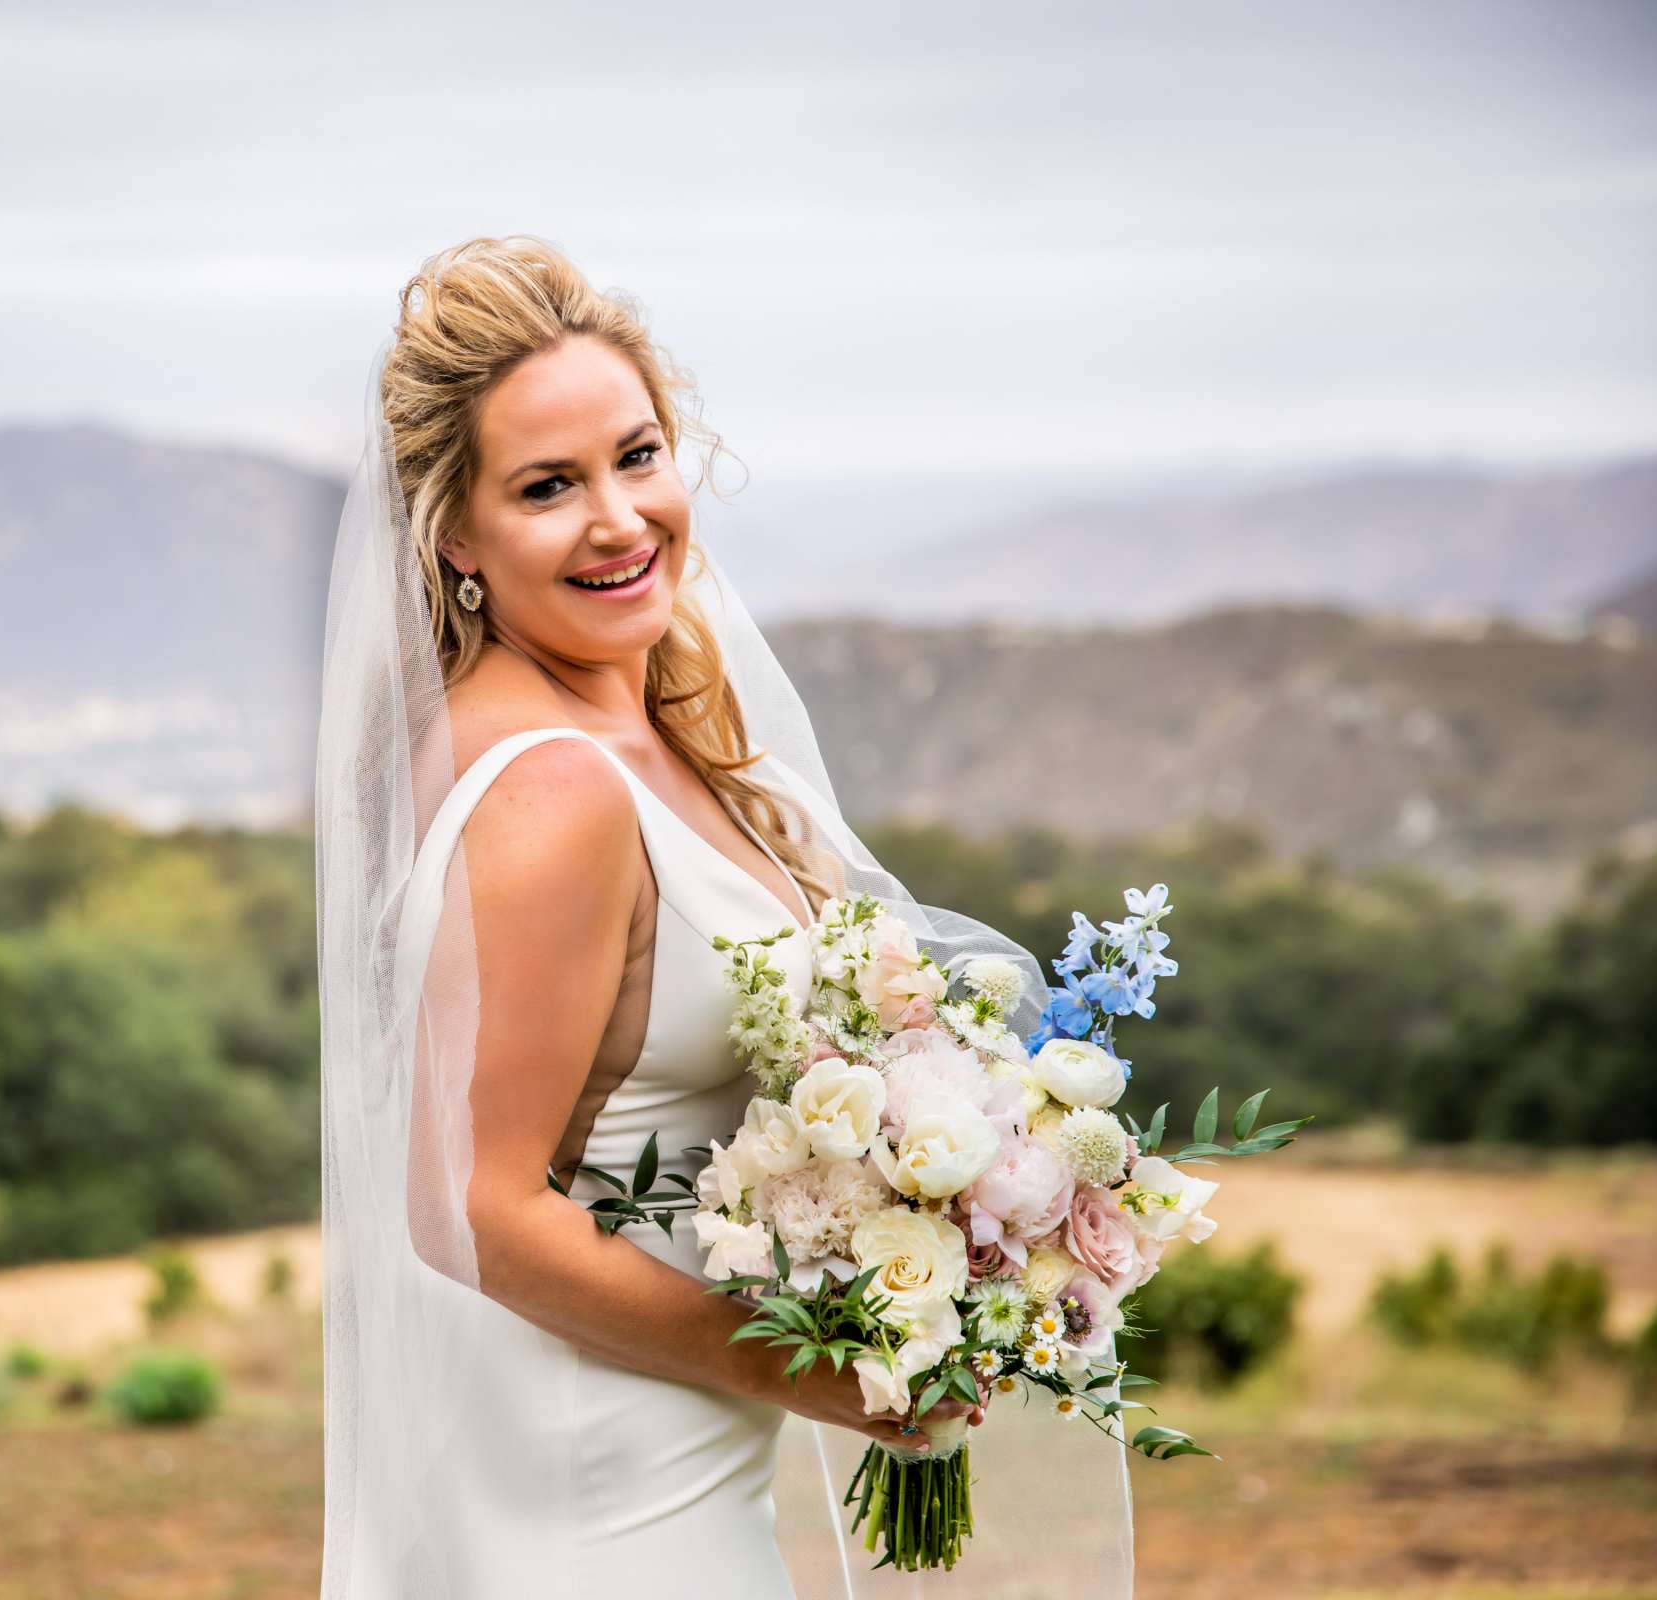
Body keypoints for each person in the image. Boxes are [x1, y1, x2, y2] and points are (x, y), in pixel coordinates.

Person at [314, 235, 1135, 1597]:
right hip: (598, 1501)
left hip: (668, 1465)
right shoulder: (553, 795)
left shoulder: (642, 735)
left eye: (636, 458)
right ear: (455, 532)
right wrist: (829, 1379)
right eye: (546, 487)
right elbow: (477, 1210)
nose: (621, 520)